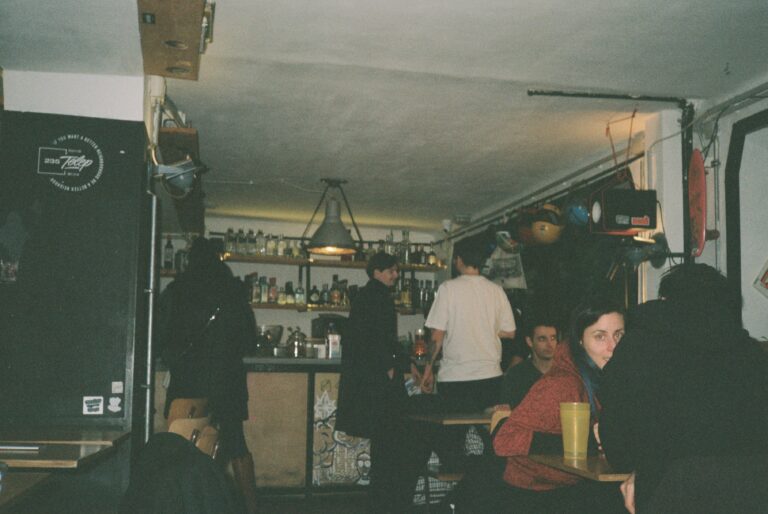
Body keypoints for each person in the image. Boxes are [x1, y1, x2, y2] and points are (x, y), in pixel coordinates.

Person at [598, 263, 768, 513]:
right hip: (750, 497)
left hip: (667, 495)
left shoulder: (638, 347)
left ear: (665, 300)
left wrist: (642, 471)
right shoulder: (753, 355)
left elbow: (619, 446)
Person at [480, 297, 625, 513]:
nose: (613, 347)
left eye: (618, 335)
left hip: (574, 487)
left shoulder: (611, 376)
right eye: (600, 336)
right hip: (534, 496)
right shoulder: (562, 383)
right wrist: (586, 442)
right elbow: (504, 439)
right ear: (579, 341)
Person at [155, 237, 258, 514]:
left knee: (181, 446)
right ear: (218, 259)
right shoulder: (233, 292)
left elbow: (159, 336)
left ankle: (186, 505)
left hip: (188, 383)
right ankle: (251, 507)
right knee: (236, 445)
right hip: (227, 382)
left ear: (191, 260)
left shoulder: (176, 291)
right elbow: (249, 339)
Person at [336, 252, 430, 513]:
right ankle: (388, 499)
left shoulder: (367, 295)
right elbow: (380, 337)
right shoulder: (378, 297)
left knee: (384, 440)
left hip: (372, 378)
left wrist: (406, 365)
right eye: (391, 270)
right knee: (390, 439)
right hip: (380, 380)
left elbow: (372, 338)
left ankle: (381, 498)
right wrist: (390, 367)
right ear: (377, 271)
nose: (396, 275)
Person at [496, 316, 559, 410]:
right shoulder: (516, 375)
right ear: (529, 342)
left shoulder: (566, 372)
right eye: (542, 339)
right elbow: (504, 410)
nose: (549, 345)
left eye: (553, 338)